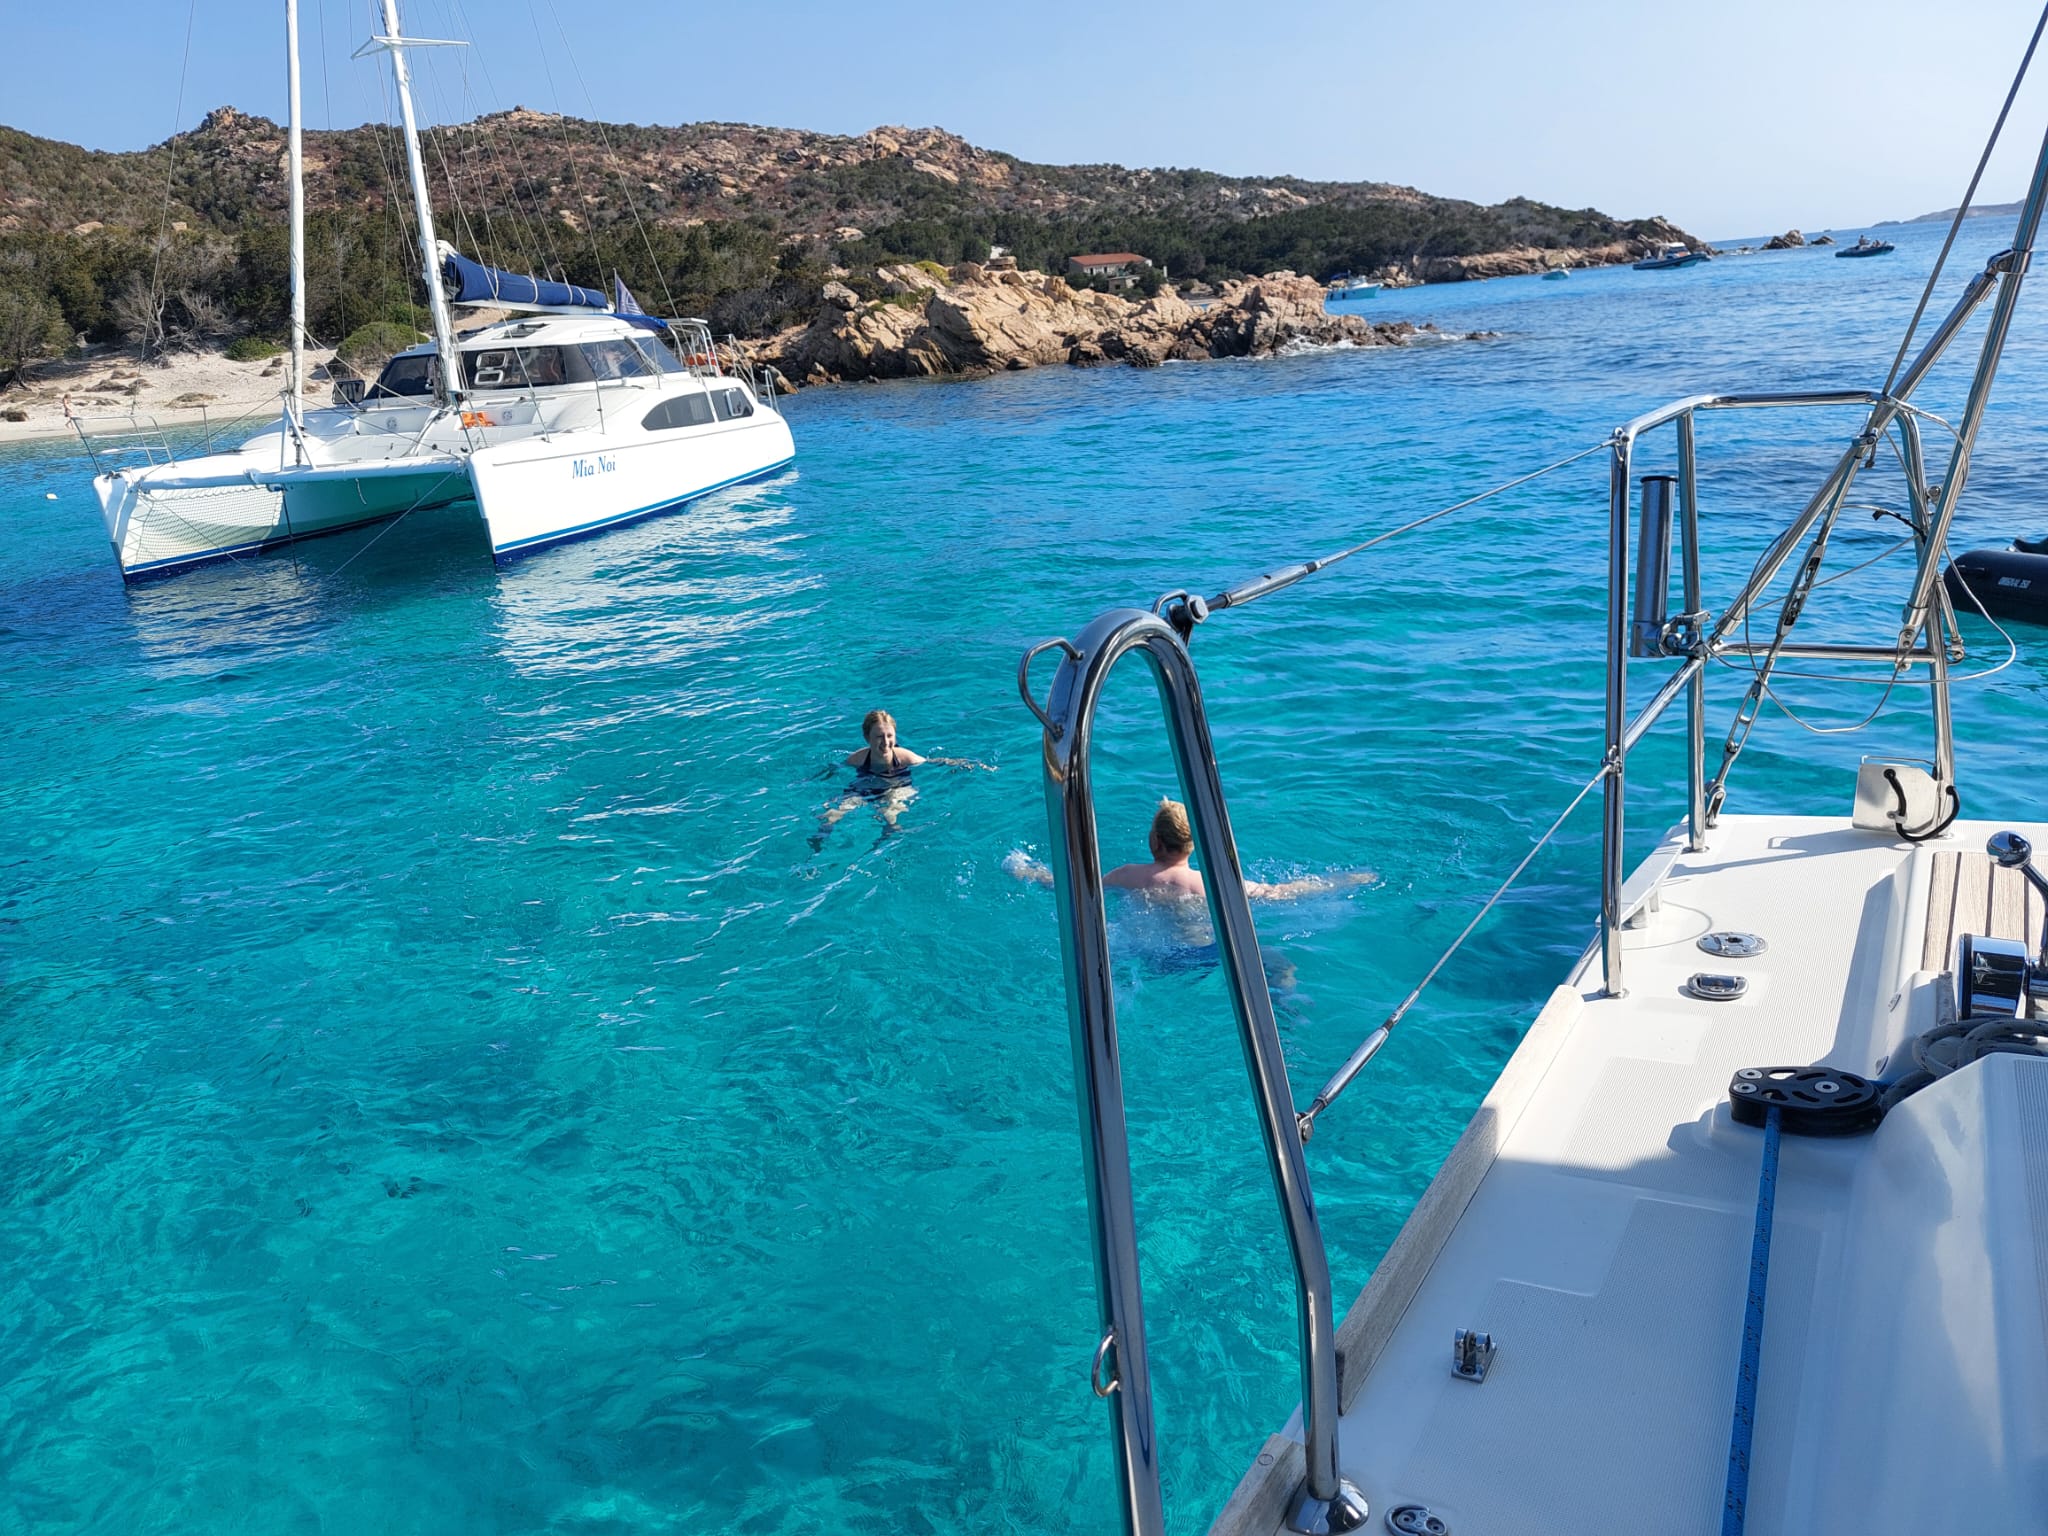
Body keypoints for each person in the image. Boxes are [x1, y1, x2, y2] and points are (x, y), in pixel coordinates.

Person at [1007, 798, 1373, 901]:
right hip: (1201, 955)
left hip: (1149, 957)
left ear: (1154, 842)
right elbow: (1280, 893)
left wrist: (1026, 869)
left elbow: (1073, 889)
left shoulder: (1127, 876)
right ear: (1193, 844)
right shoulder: (1212, 884)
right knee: (1281, 967)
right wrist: (1344, 880)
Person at [815, 709, 992, 840]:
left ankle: (890, 837)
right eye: (879, 737)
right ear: (867, 738)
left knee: (891, 812)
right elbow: (835, 767)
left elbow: (935, 761)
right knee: (837, 810)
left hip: (896, 785)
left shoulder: (904, 756)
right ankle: (820, 838)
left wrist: (969, 764)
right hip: (866, 786)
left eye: (889, 736)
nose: (886, 742)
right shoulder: (859, 758)